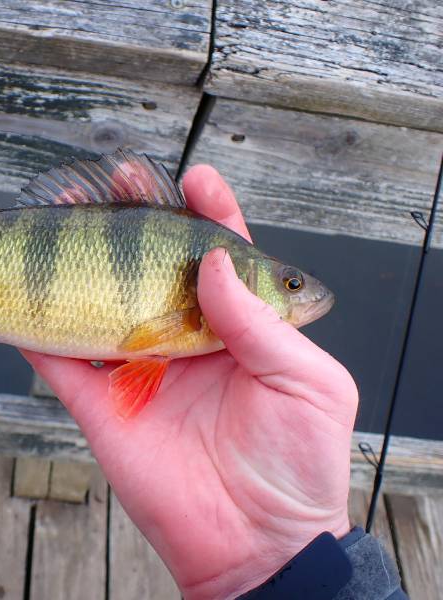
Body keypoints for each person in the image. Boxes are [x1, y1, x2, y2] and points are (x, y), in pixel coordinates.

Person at [21, 165, 407, 599]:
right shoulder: (215, 269)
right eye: (291, 284)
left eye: (292, 284)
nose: (304, 294)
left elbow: (149, 343)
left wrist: (282, 548)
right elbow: (148, 340)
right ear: (235, 278)